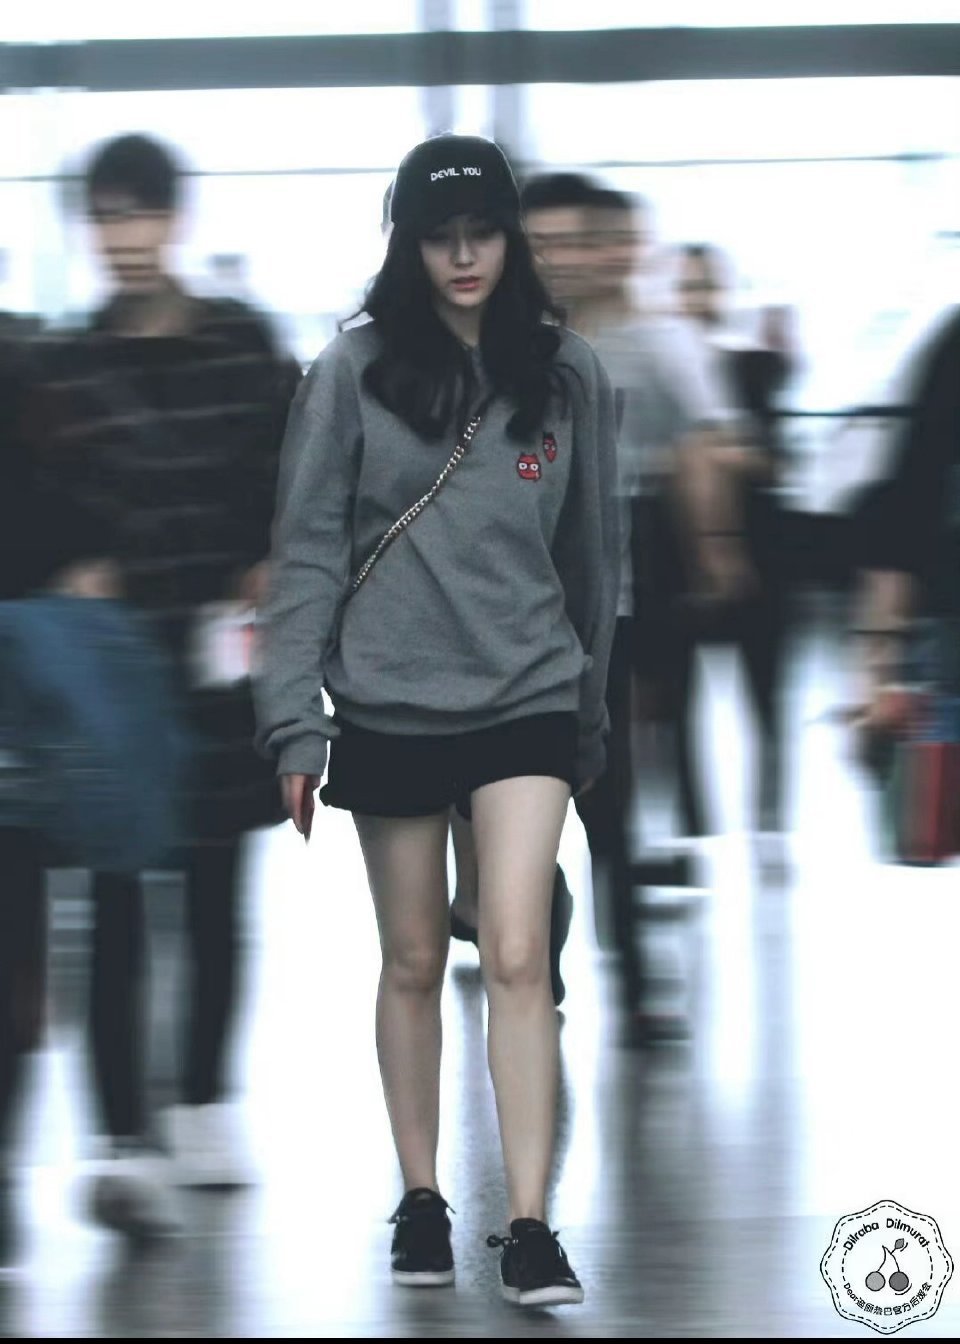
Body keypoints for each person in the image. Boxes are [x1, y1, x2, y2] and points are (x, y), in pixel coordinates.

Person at [255, 134, 620, 1308]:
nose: (464, 257)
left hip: (529, 693)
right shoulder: (351, 372)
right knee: (414, 957)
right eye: (439, 236)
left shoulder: (567, 372)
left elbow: (593, 560)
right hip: (391, 697)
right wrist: (293, 723)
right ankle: (422, 1198)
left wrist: (590, 718)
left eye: (483, 233)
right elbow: (308, 550)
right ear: (407, 246)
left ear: (511, 239)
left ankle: (532, 1225)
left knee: (516, 950)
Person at [4, 133, 301, 1245]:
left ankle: (207, 1100)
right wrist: (77, 572)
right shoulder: (66, 364)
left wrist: (272, 558)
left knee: (221, 884)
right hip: (112, 665)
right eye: (105, 218)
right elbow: (44, 503)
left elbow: (297, 474)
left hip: (226, 648)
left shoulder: (241, 344)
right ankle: (126, 1132)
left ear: (174, 219)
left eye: (138, 215)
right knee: (121, 890)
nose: (123, 238)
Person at [676, 243, 793, 863]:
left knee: (766, 693)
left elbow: (775, 459)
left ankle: (769, 821)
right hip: (677, 556)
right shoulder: (661, 367)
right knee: (679, 704)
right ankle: (694, 832)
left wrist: (710, 451)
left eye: (705, 286)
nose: (697, 300)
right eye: (686, 287)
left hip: (760, 553)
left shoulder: (753, 366)